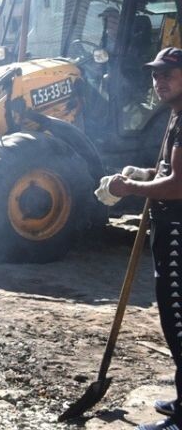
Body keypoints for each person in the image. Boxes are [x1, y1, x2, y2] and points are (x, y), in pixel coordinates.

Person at [109, 47, 182, 430]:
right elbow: (168, 168)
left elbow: (178, 183)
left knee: (179, 319)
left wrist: (132, 191)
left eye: (168, 74)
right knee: (174, 318)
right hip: (168, 229)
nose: (159, 82)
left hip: (178, 234)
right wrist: (142, 174)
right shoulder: (174, 115)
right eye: (156, 75)